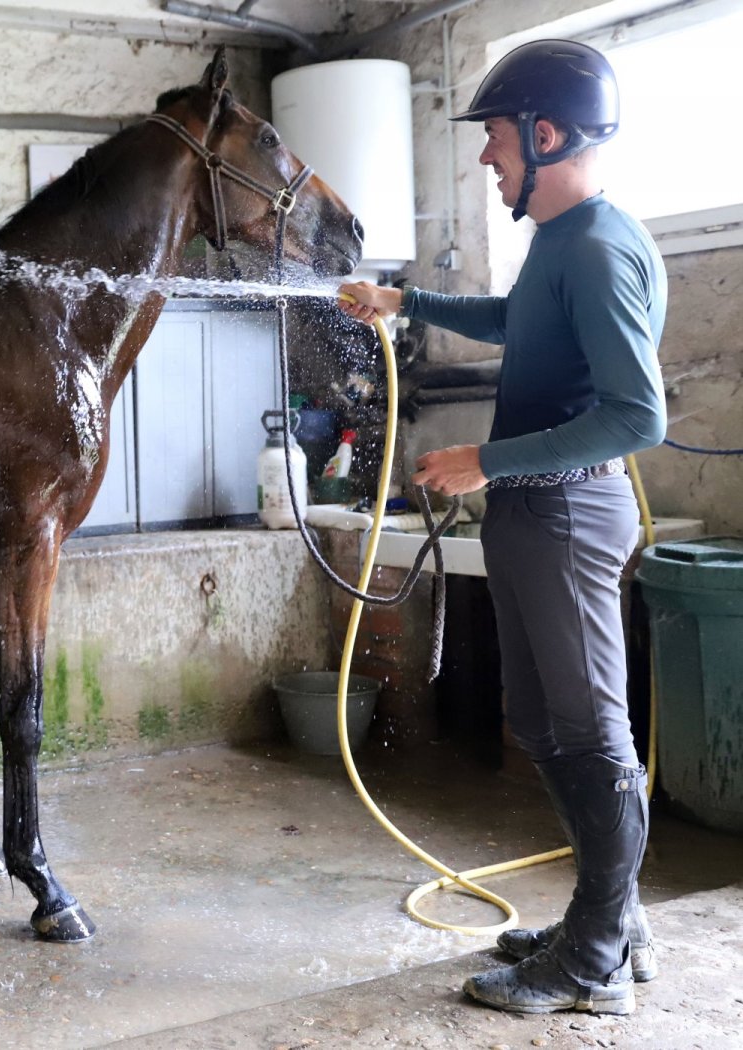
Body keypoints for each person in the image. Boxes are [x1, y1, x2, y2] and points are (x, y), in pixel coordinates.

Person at [339, 39, 667, 1016]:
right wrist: (405, 300)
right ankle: (612, 923)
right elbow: (516, 318)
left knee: (591, 733)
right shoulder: (562, 240)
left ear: (546, 133)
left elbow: (638, 415)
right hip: (536, 509)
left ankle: (596, 960)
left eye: (495, 136)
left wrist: (486, 460)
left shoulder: (599, 249)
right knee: (542, 722)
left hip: (566, 510)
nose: (487, 155)